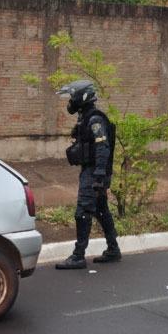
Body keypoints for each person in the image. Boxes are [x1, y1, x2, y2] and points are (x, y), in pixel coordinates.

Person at [55, 80, 121, 270]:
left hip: (94, 172)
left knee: (83, 211)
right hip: (92, 171)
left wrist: (99, 174)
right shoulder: (86, 117)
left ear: (82, 97)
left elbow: (102, 147)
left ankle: (78, 256)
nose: (70, 101)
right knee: (101, 210)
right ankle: (113, 249)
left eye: (72, 97)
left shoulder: (95, 120)